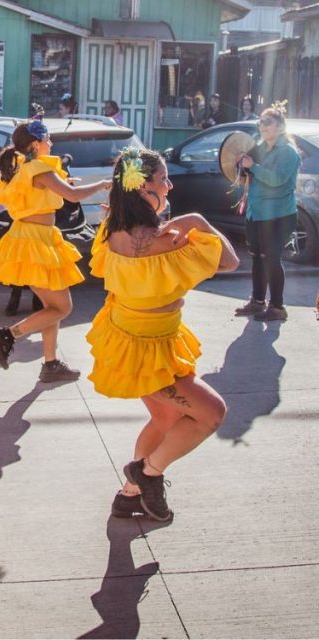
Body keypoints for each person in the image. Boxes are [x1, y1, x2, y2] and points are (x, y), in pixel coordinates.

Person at [86, 147, 239, 521]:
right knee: (212, 414)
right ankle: (147, 473)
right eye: (164, 179)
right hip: (144, 353)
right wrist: (197, 220)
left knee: (166, 420)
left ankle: (129, 496)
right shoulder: (167, 242)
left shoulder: (111, 231)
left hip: (128, 339)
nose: (170, 186)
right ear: (143, 190)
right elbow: (231, 261)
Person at [0, 119, 110, 382]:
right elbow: (72, 196)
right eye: (47, 139)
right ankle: (8, 334)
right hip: (36, 241)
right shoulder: (39, 168)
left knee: (50, 306)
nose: (51, 143)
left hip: (29, 238)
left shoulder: (22, 167)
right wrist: (101, 185)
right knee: (62, 307)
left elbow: (41, 191)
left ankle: (50, 364)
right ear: (34, 144)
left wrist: (65, 181)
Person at [234, 103, 301, 321]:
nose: (262, 126)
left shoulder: (289, 152)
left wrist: (252, 166)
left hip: (279, 215)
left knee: (271, 258)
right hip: (256, 212)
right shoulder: (259, 147)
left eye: (268, 122)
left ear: (280, 127)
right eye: (261, 122)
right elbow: (244, 170)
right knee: (256, 257)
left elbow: (277, 180)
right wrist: (241, 166)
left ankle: (278, 307)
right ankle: (257, 301)